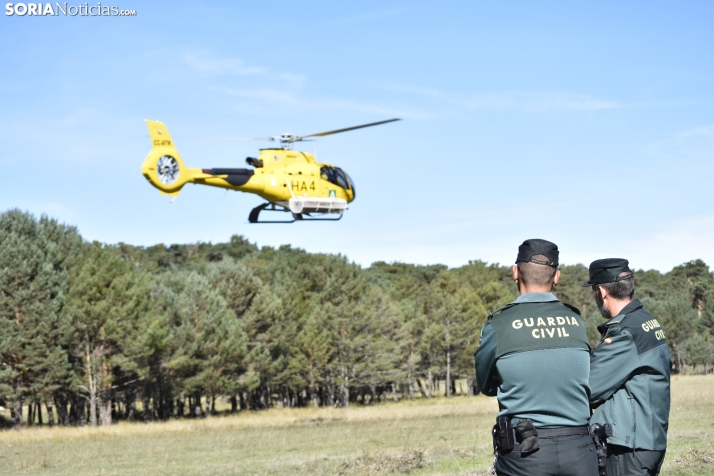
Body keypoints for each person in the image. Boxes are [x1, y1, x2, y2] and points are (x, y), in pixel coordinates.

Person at [475, 239, 598, 476]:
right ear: (557, 276)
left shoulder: (498, 324)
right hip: (580, 450)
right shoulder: (575, 321)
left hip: (525, 453)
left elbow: (486, 385)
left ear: (515, 272)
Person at [584, 259, 671, 475]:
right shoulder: (646, 320)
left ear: (602, 291)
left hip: (629, 447)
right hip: (648, 440)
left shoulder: (624, 332)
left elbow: (590, 388)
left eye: (594, 289)